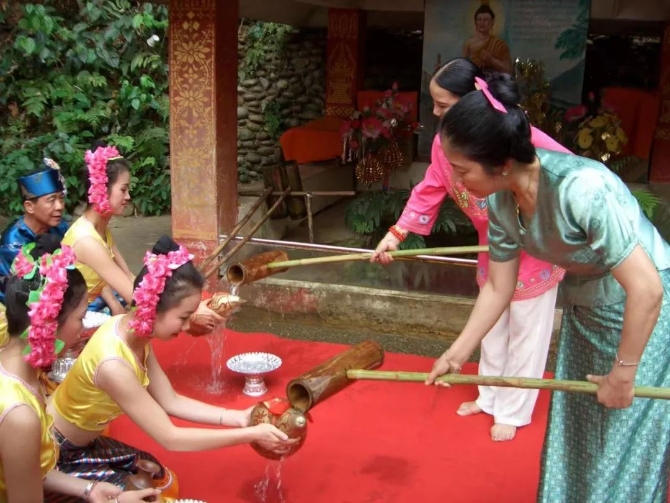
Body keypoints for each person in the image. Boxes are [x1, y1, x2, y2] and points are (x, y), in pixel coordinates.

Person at [425, 74, 670, 502]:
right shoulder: (502, 200)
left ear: (502, 163)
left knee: (621, 440)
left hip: (645, 315)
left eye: (462, 170)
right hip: (586, 310)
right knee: (578, 428)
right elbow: (498, 287)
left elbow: (647, 289)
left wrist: (624, 373)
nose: (457, 183)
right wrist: (457, 353)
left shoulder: (582, 188)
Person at [372, 62, 567, 442]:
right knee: (491, 327)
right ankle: (490, 396)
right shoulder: (444, 143)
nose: (435, 112)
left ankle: (513, 408)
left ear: (474, 103)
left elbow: (566, 177)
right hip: (491, 245)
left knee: (527, 332)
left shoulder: (520, 135)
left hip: (533, 248)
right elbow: (431, 185)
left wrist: (544, 228)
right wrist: (398, 232)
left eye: (443, 105)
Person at [46, 236, 295, 494]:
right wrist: (251, 435)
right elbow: (170, 438)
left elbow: (170, 401)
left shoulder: (133, 332)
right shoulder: (113, 364)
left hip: (85, 443)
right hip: (55, 453)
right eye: (184, 317)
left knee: (158, 476)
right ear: (153, 308)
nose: (188, 326)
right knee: (146, 492)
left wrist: (241, 418)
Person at [0, 235, 158, 502]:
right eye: (81, 318)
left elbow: (28, 469)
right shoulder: (19, 414)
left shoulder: (15, 368)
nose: (83, 329)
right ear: (48, 324)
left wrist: (89, 489)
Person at [62, 141, 222, 333]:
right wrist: (189, 311)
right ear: (102, 190)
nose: (128, 196)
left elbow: (130, 278)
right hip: (74, 320)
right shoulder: (86, 241)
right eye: (123, 189)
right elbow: (133, 297)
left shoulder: (100, 230)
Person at [462, 3, 511, 74]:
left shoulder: (499, 44)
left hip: (495, 78)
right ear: (475, 22)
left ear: (492, 22)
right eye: (479, 19)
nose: (482, 23)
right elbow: (462, 66)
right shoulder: (469, 43)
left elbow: (508, 69)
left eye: (486, 20)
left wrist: (491, 59)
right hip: (475, 77)